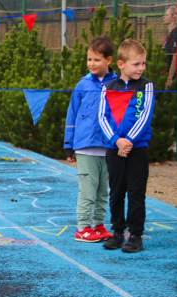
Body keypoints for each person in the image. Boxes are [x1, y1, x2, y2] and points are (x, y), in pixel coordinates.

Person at [99, 39, 155, 253]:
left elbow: (145, 116)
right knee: (116, 191)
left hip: (137, 149)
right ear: (121, 64)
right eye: (136, 64)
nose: (141, 68)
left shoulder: (146, 86)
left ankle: (136, 235)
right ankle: (118, 232)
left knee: (136, 192)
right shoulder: (107, 87)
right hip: (115, 149)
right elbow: (102, 117)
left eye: (143, 63)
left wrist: (128, 141)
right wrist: (116, 141)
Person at [64, 35, 117, 243]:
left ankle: (98, 224)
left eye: (97, 59)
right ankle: (82, 227)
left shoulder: (118, 84)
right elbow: (72, 114)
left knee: (103, 189)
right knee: (87, 189)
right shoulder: (82, 85)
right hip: (85, 146)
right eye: (89, 59)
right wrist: (69, 144)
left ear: (109, 60)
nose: (92, 64)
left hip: (108, 146)